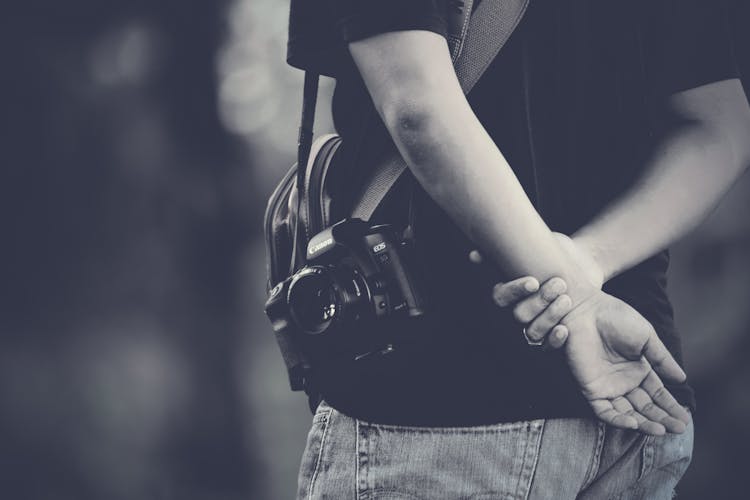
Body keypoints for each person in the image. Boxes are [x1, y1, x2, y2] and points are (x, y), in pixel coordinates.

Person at [286, 0, 750, 498]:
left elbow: (418, 107)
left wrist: (577, 298)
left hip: (441, 402)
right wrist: (586, 263)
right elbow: (720, 126)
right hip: (635, 397)